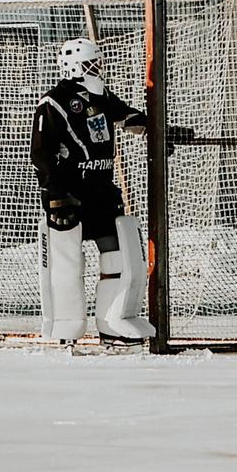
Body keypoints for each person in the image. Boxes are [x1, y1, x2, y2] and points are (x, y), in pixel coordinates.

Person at [31, 37, 153, 342]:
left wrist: (159, 129)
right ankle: (65, 328)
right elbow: (41, 152)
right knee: (67, 263)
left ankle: (111, 325)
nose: (97, 68)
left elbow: (128, 117)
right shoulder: (53, 102)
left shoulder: (101, 96)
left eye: (97, 62)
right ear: (73, 66)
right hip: (71, 194)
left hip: (102, 191)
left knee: (116, 259)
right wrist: (55, 193)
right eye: (90, 64)